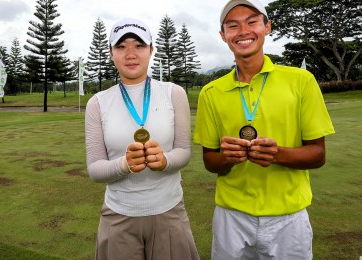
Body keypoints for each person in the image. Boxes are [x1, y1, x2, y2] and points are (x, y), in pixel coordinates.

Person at [193, 0, 335, 259]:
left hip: (289, 217)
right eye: (233, 25)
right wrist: (227, 158)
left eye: (252, 21)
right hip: (231, 216)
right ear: (223, 35)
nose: (243, 31)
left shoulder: (301, 81)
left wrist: (277, 154)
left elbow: (318, 154)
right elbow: (210, 161)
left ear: (267, 27)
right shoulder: (210, 92)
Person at [85, 17, 200, 260]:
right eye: (121, 46)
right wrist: (124, 165)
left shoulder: (174, 93)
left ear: (151, 50)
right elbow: (95, 168)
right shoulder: (97, 102)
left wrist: (165, 161)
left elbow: (183, 151)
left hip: (169, 213)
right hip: (118, 216)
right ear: (110, 53)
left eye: (138, 45)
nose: (130, 54)